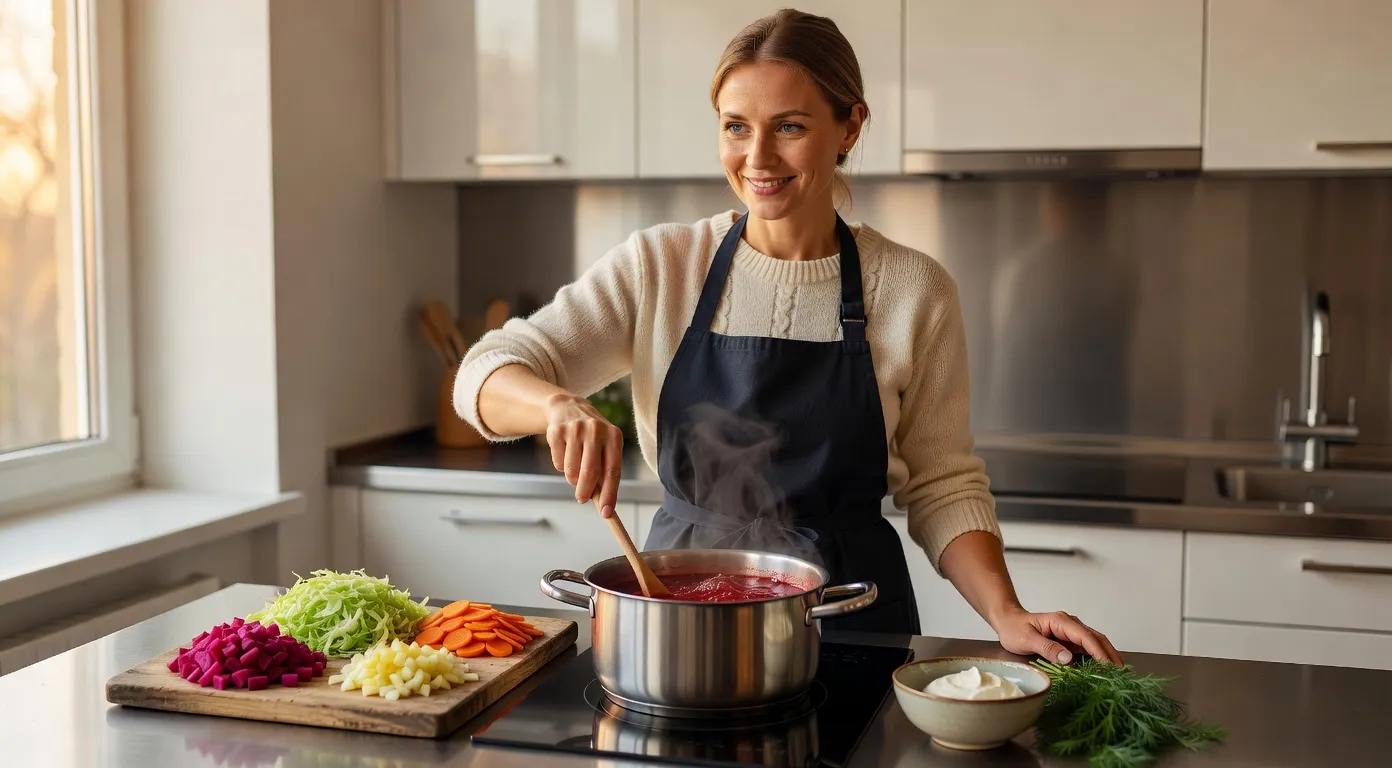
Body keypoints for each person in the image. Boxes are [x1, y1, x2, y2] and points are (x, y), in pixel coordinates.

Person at [453, 8, 1121, 666]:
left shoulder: (915, 291)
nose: (758, 157)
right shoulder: (660, 266)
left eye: (790, 127)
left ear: (849, 126)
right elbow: (483, 372)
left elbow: (942, 482)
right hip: (680, 628)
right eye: (736, 127)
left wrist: (1007, 613)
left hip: (852, 620)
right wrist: (555, 406)